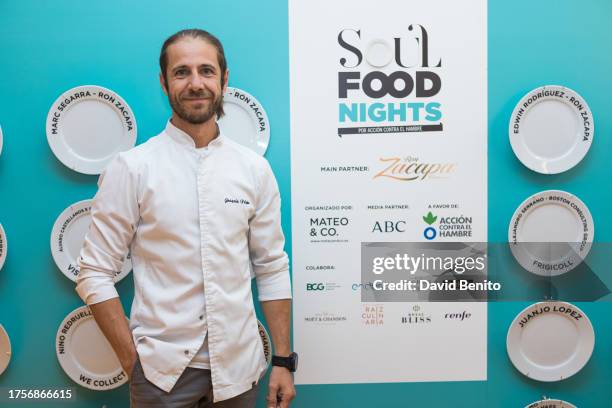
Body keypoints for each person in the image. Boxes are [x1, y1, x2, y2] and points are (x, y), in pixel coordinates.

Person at [75, 28, 297, 408]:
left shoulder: (254, 170)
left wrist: (282, 360)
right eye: (182, 72)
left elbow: (272, 266)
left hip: (240, 372)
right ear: (164, 82)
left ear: (224, 79)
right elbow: (93, 272)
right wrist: (134, 364)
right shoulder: (132, 168)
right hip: (160, 376)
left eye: (206, 71)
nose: (196, 83)